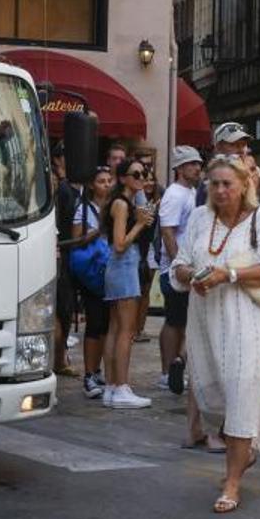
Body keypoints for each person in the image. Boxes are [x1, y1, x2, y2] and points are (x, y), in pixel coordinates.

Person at [170, 157, 260, 512]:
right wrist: (195, 276)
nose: (220, 190)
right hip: (206, 320)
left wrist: (228, 275)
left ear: (243, 185)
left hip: (247, 322)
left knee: (240, 396)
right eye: (214, 184)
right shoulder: (201, 218)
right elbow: (178, 265)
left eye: (227, 184)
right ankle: (245, 448)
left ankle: (232, 483)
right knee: (211, 396)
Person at [101, 159, 156, 408]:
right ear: (122, 178)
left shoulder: (126, 201)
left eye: (144, 174)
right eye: (135, 174)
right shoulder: (122, 205)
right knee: (126, 330)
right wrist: (139, 225)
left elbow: (146, 210)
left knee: (115, 328)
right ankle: (121, 386)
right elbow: (120, 244)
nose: (141, 178)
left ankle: (112, 386)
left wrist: (141, 191)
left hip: (119, 268)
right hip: (123, 267)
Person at [159, 146, 204, 396]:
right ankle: (167, 372)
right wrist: (178, 265)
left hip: (188, 266)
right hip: (175, 268)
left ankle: (177, 362)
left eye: (198, 163)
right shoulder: (175, 194)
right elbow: (168, 231)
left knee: (186, 320)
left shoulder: (192, 191)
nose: (197, 167)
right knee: (174, 321)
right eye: (191, 164)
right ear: (179, 168)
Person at [71, 166, 115, 398]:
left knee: (106, 324)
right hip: (93, 272)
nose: (106, 185)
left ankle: (97, 370)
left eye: (109, 180)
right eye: (101, 181)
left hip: (110, 269)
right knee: (95, 322)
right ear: (91, 185)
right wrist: (96, 232)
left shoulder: (114, 206)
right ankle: (89, 373)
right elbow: (76, 240)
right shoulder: (84, 210)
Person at [52, 142, 80, 376]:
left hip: (71, 255)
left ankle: (60, 357)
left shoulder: (73, 187)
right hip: (61, 254)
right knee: (61, 310)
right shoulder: (61, 188)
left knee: (67, 309)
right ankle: (58, 358)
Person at [134, 168, 162, 345]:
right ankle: (132, 328)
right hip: (137, 248)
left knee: (145, 291)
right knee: (135, 291)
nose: (149, 183)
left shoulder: (161, 200)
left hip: (151, 250)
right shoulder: (137, 200)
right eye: (146, 180)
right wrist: (152, 209)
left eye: (152, 179)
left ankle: (140, 329)